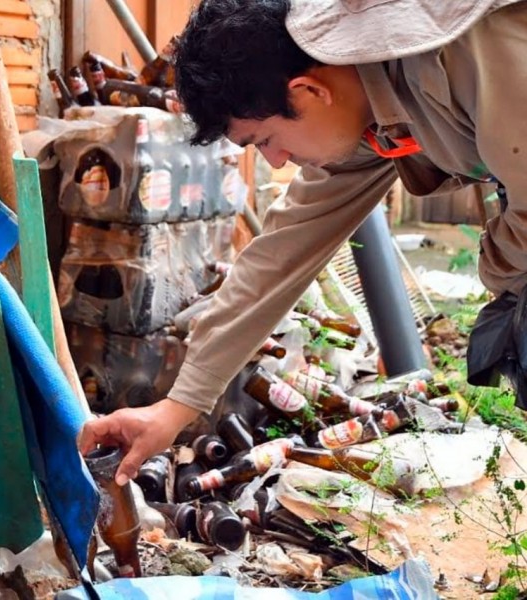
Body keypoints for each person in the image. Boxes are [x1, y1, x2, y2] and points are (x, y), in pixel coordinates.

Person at [78, 0, 527, 485]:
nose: (275, 161)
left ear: (308, 89)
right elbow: (278, 256)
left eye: (264, 139)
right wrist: (175, 407)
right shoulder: (364, 105)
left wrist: (499, 268)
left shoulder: (464, 43)